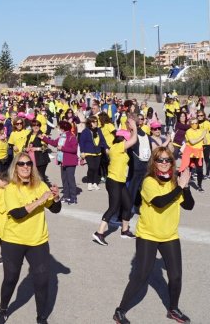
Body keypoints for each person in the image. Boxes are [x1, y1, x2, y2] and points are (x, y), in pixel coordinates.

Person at [113, 147, 195, 324]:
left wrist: (185, 187)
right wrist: (180, 187)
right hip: (148, 235)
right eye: (160, 160)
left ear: (172, 163)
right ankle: (120, 311)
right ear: (154, 162)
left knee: (175, 276)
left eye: (168, 160)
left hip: (169, 235)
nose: (164, 163)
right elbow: (159, 203)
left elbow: (189, 206)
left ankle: (173, 309)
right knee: (141, 275)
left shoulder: (175, 182)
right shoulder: (149, 182)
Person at [0, 153, 62, 324]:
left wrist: (56, 197)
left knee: (42, 281)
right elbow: (17, 214)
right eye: (21, 164)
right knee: (11, 278)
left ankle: (41, 317)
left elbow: (55, 209)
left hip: (38, 240)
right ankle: (3, 309)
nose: (25, 167)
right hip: (13, 240)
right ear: (15, 168)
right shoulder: (10, 189)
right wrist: (40, 201)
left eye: (29, 163)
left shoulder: (40, 185)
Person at [92, 121, 139, 246]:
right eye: (126, 139)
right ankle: (99, 233)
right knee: (113, 207)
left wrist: (131, 129)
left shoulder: (118, 148)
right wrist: (134, 126)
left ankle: (125, 230)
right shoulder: (118, 147)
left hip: (120, 181)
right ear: (123, 139)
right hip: (114, 181)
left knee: (128, 204)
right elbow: (133, 140)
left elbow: (132, 138)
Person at [42, 120, 79, 204]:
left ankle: (73, 197)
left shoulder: (71, 137)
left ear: (63, 128)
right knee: (64, 179)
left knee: (70, 179)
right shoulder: (62, 136)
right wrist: (44, 138)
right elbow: (54, 143)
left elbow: (74, 150)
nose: (59, 129)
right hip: (62, 161)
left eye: (60, 127)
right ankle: (66, 196)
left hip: (70, 162)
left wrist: (62, 148)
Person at [79, 116, 106, 191]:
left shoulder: (99, 130)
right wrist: (82, 151)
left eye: (96, 121)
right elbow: (82, 142)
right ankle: (89, 182)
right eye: (94, 122)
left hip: (97, 152)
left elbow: (103, 140)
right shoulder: (85, 131)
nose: (96, 123)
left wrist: (106, 148)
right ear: (90, 123)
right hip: (88, 152)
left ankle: (95, 183)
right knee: (91, 167)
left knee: (96, 168)